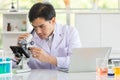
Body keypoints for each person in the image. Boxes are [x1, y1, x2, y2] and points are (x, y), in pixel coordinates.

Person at [17, 2, 81, 71]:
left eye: (42, 26)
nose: (38, 31)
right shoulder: (28, 38)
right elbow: (16, 66)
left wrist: (48, 59)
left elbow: (76, 62)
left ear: (53, 20)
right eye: (35, 27)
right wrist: (18, 51)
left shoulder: (70, 32)